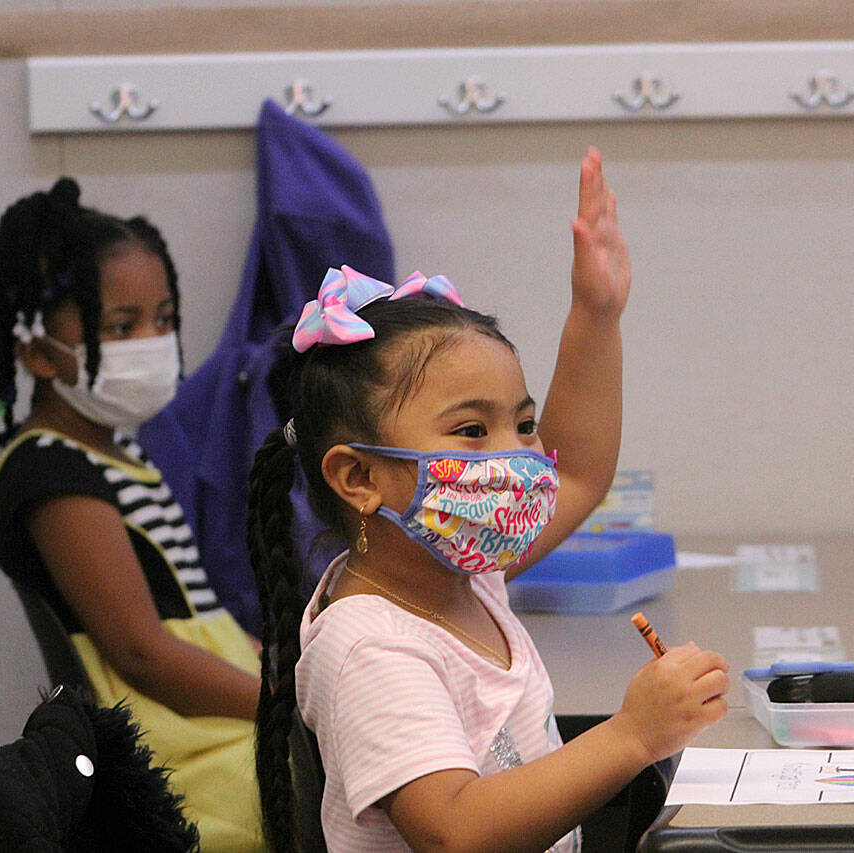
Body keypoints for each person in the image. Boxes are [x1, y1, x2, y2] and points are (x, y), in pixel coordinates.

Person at [247, 149, 730, 852]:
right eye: (472, 430)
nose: (515, 457)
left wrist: (597, 313)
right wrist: (633, 733)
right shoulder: (370, 647)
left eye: (523, 424)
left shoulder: (461, 571)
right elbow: (456, 830)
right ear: (358, 477)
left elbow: (581, 473)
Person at [0, 177, 265, 852]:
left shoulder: (119, 453)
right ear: (37, 350)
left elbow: (198, 619)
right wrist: (287, 707)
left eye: (164, 318)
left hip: (215, 722)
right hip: (178, 750)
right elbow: (143, 651)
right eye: (122, 326)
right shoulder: (49, 467)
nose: (154, 340)